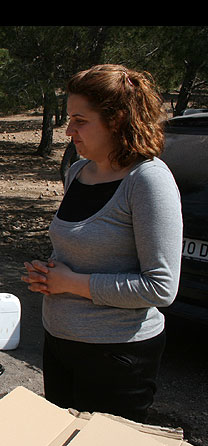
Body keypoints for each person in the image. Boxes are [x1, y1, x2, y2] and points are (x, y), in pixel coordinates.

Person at [21, 64, 183, 423]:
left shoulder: (148, 181)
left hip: (117, 358)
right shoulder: (78, 172)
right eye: (69, 119)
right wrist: (48, 272)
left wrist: (72, 283)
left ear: (117, 119)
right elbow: (76, 250)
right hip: (60, 343)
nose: (68, 131)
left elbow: (161, 287)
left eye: (80, 120)